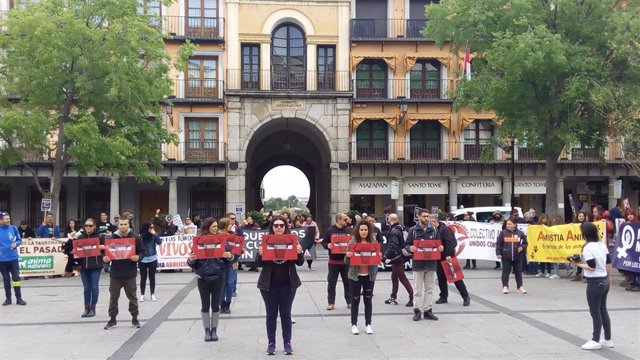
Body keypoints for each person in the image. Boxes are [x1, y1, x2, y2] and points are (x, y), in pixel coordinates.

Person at [256, 216, 304, 355]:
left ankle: (287, 343)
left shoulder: (292, 240)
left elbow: (299, 262)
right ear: (272, 227)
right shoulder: (266, 241)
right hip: (268, 285)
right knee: (271, 315)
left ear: (285, 227)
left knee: (286, 315)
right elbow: (257, 263)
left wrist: (299, 253)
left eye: (281, 225)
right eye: (275, 225)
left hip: (288, 285)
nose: (278, 228)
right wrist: (260, 254)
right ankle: (271, 343)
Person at [188, 217, 235, 342]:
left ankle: (214, 329)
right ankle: (206, 330)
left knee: (215, 305)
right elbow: (192, 261)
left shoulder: (221, 240)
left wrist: (230, 256)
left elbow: (230, 259)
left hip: (218, 277)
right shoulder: (198, 241)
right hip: (203, 278)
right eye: (213, 226)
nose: (216, 229)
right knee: (205, 305)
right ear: (207, 227)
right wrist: (191, 260)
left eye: (216, 227)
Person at [573, 222, 613, 350]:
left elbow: (591, 266)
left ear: (584, 235)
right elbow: (608, 262)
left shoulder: (588, 248)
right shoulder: (602, 245)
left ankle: (595, 339)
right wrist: (609, 277)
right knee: (603, 309)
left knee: (595, 312)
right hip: (604, 280)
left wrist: (577, 264)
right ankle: (608, 339)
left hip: (594, 282)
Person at [103, 217, 145, 330]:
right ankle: (112, 319)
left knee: (132, 297)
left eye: (125, 224)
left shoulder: (135, 237)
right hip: (115, 273)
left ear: (128, 225)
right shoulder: (112, 238)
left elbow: (142, 251)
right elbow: (106, 253)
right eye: (121, 224)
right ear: (118, 225)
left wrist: (138, 257)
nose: (123, 226)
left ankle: (135, 318)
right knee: (113, 298)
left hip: (130, 273)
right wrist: (106, 259)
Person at [406, 209, 440, 321]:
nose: (426, 218)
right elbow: (406, 245)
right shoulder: (413, 230)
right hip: (418, 264)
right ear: (418, 216)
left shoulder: (434, 230)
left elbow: (439, 244)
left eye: (428, 216)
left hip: (431, 264)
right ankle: (417, 311)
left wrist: (441, 248)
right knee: (418, 290)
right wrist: (410, 248)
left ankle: (427, 310)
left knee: (429, 289)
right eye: (424, 216)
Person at [65, 218, 104, 317]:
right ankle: (86, 308)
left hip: (95, 265)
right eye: (86, 225)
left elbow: (107, 250)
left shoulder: (99, 237)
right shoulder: (80, 237)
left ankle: (93, 308)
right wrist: (71, 247)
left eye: (90, 226)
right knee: (86, 288)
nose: (88, 227)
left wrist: (103, 249)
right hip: (84, 266)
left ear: (94, 227)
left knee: (94, 287)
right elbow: (69, 248)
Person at [345, 220, 378, 335]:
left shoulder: (373, 241)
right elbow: (346, 261)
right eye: (361, 230)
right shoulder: (352, 242)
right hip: (355, 276)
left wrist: (379, 256)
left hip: (369, 275)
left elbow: (377, 258)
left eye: (365, 230)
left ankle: (368, 324)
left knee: (368, 300)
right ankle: (354, 324)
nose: (363, 232)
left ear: (368, 231)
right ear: (358, 231)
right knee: (355, 300)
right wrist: (348, 256)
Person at [433, 214, 470, 306]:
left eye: (431, 222)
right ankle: (443, 297)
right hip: (438, 257)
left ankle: (465, 296)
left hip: (448, 257)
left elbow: (450, 243)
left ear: (435, 221)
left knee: (456, 278)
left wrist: (448, 255)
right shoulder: (434, 231)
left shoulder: (445, 229)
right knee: (441, 279)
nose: (429, 224)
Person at [321, 212, 352, 310]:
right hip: (334, 261)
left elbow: (354, 242)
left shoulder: (349, 230)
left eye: (347, 219)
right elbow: (324, 242)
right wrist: (327, 245)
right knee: (331, 283)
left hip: (346, 261)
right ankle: (331, 303)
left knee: (348, 282)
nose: (347, 221)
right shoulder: (330, 230)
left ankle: (349, 302)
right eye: (345, 219)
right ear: (338, 220)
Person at [382, 213, 413, 307]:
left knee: (402, 277)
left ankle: (412, 297)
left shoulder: (394, 231)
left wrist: (386, 256)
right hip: (400, 256)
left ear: (389, 220)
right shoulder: (401, 228)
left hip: (397, 257)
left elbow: (393, 245)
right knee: (394, 277)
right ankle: (393, 297)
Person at [0, 212, 26, 306]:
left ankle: (19, 298)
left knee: (16, 279)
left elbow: (19, 240)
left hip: (13, 258)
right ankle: (8, 299)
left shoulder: (13, 228)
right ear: (1, 220)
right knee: (6, 280)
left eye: (9, 218)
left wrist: (16, 243)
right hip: (2, 261)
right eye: (6, 219)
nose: (8, 220)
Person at [496, 218, 528, 294]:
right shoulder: (503, 233)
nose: (508, 225)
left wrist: (522, 247)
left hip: (518, 256)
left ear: (515, 224)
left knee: (518, 272)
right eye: (507, 224)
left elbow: (525, 243)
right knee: (505, 272)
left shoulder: (520, 233)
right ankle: (505, 286)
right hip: (506, 256)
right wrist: (498, 253)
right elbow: (498, 244)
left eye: (510, 224)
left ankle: (520, 287)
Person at [139, 222, 162, 302]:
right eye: (150, 227)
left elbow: (159, 242)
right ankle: (142, 294)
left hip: (153, 258)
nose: (152, 229)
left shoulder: (154, 235)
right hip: (143, 259)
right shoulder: (141, 236)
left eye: (153, 227)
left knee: (152, 277)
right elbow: (138, 245)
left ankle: (152, 294)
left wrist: (155, 233)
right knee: (143, 278)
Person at [220, 217, 238, 314]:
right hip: (221, 264)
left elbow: (238, 249)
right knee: (222, 285)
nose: (231, 225)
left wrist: (240, 250)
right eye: (229, 224)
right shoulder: (217, 236)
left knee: (230, 284)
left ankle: (228, 304)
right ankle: (222, 304)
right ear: (225, 226)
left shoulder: (234, 236)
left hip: (232, 263)